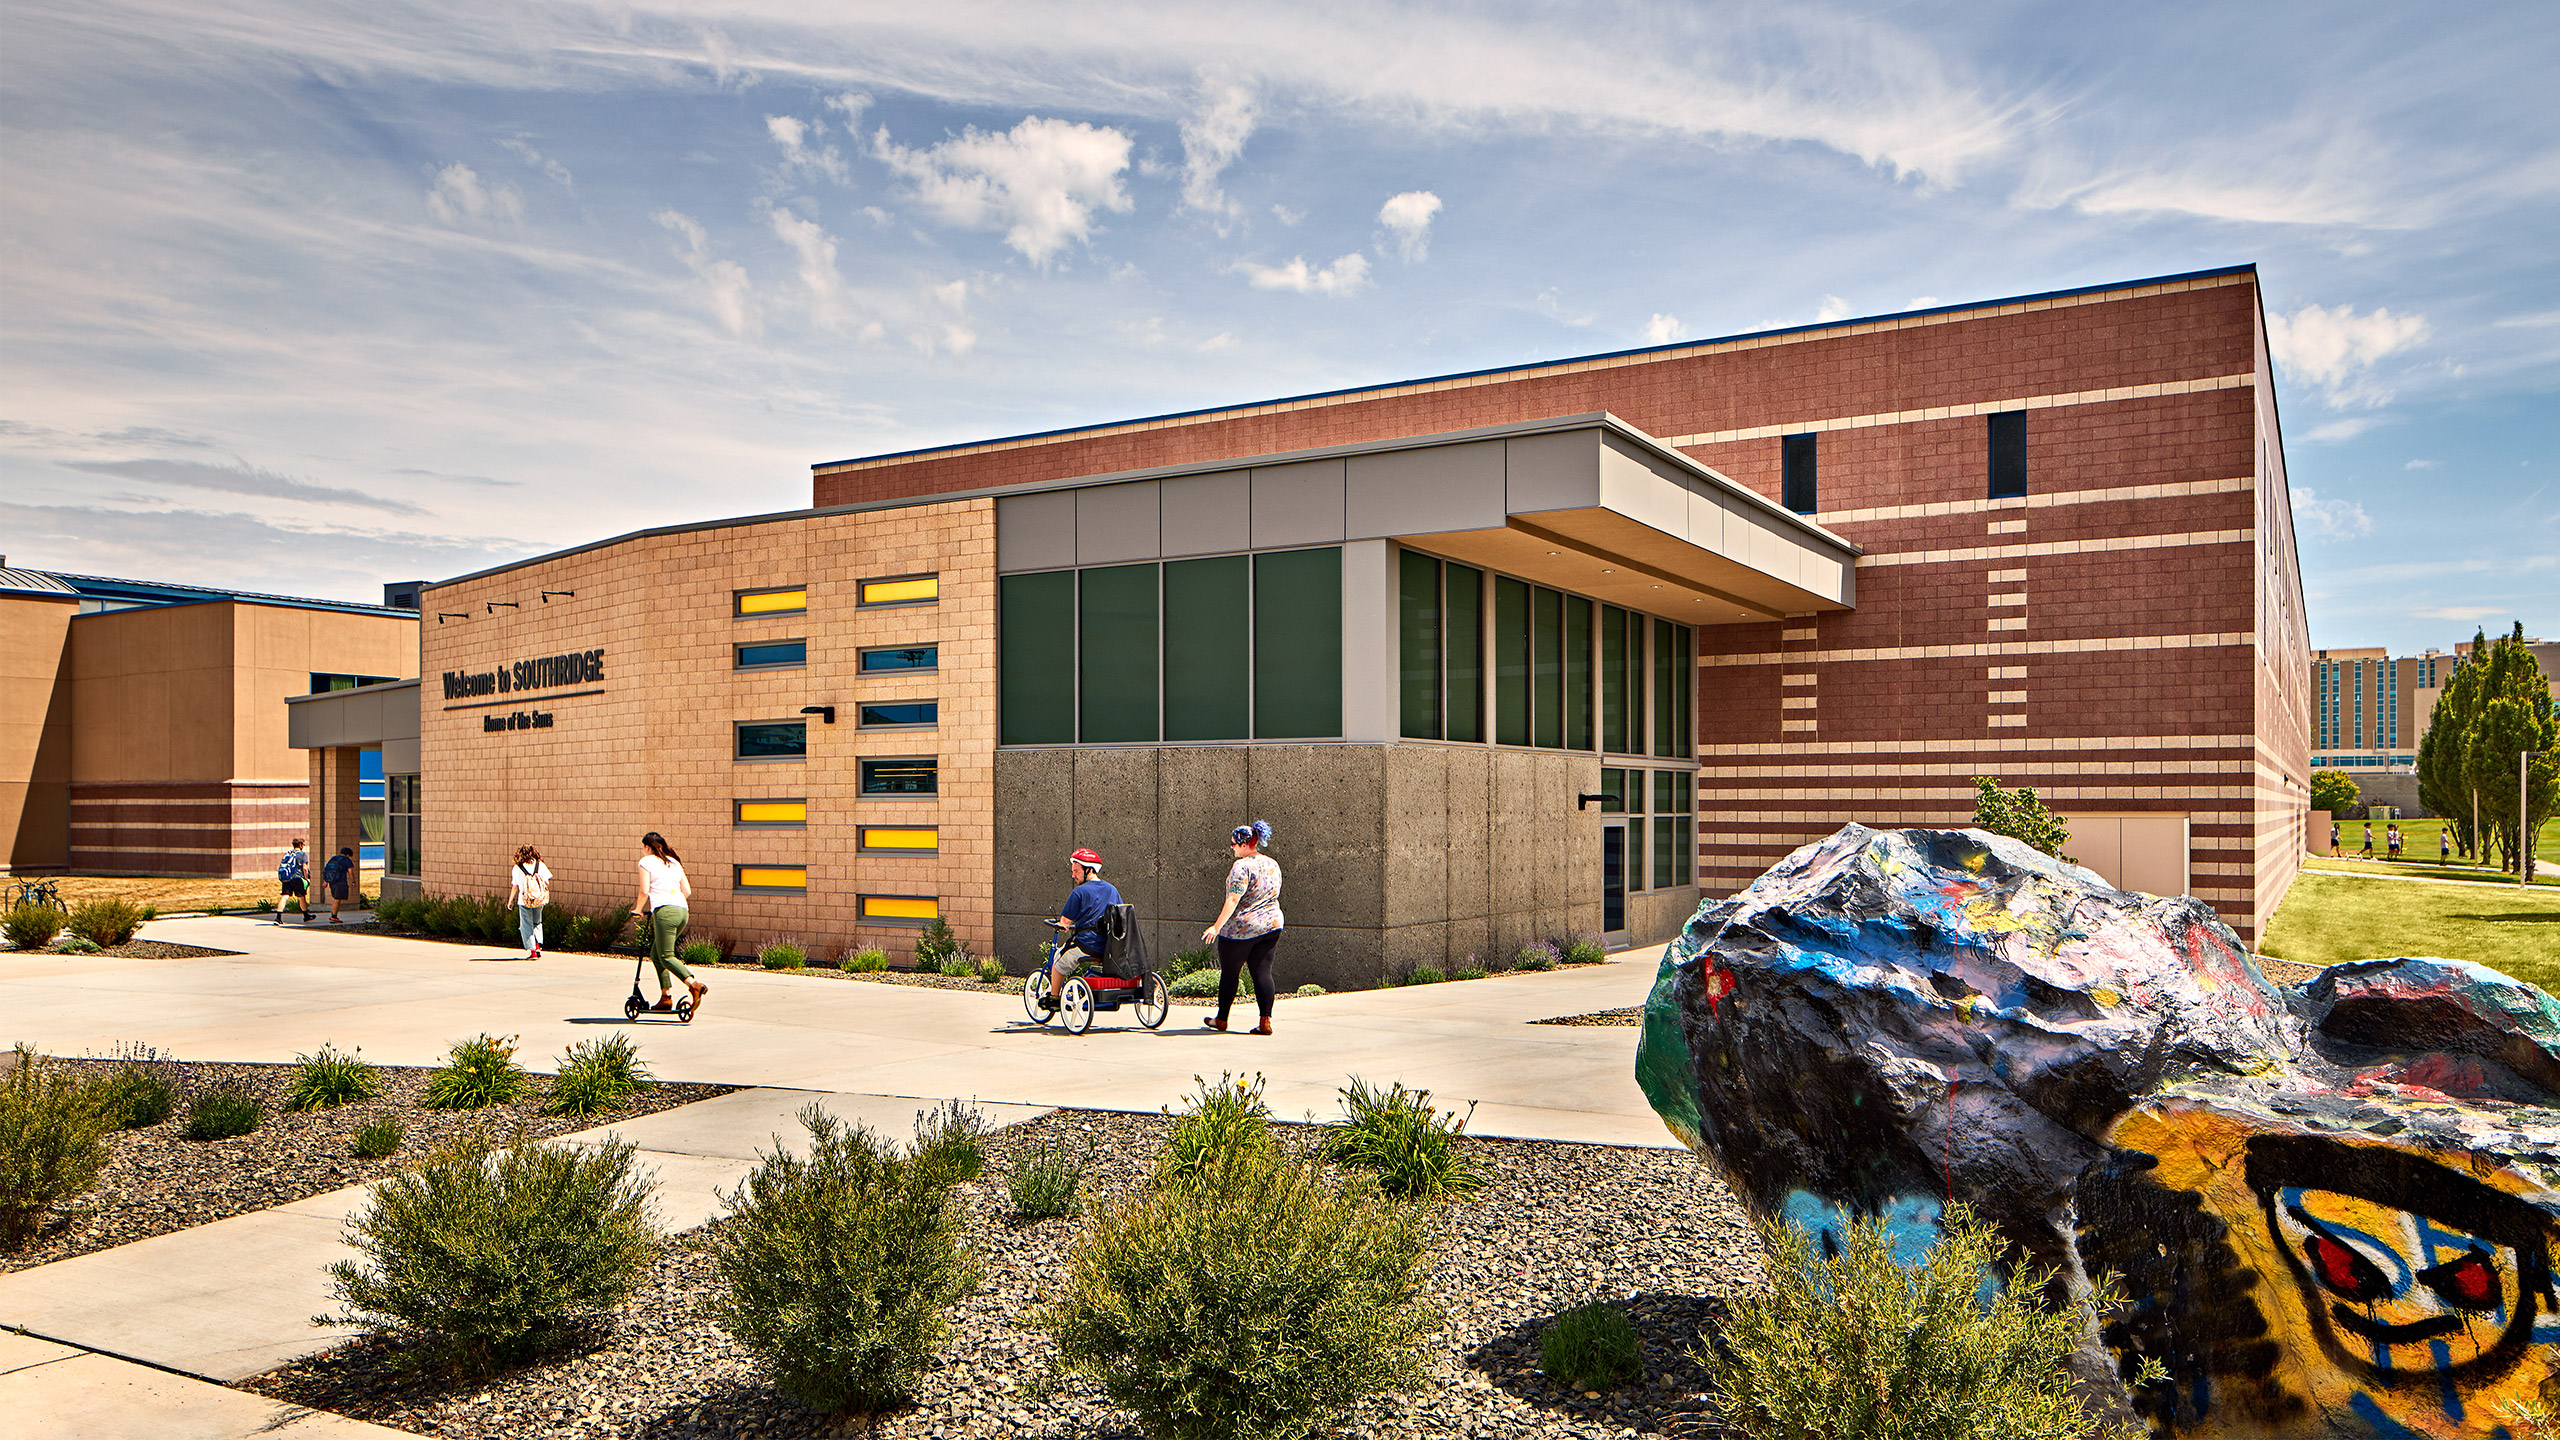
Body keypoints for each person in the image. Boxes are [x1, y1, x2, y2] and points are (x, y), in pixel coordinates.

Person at [1200, 820, 1283, 1035]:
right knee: (1263, 972)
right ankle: (1265, 1022)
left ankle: (1222, 1020)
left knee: (1230, 974)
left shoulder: (1242, 866)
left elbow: (1233, 899)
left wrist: (1216, 927)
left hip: (1241, 929)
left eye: (1234, 844)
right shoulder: (1272, 864)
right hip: (1272, 925)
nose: (1232, 847)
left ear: (1245, 845)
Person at [632, 832, 706, 1015]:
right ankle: (666, 997)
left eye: (643, 847)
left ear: (647, 847)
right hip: (682, 911)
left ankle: (693, 985)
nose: (643, 851)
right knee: (656, 954)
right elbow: (687, 891)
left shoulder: (646, 862)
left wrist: (637, 910)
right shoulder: (674, 862)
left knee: (666, 955)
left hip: (665, 912)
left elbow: (644, 891)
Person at [1040, 848, 1122, 1011]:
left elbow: (1064, 921)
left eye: (1076, 871)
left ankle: (1054, 998)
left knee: (1058, 960)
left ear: (1089, 870)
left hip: (1087, 945)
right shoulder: (1112, 890)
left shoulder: (1079, 892)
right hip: (1108, 947)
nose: (1073, 875)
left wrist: (1063, 925)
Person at [508, 844, 552, 961]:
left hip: (524, 901)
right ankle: (538, 946)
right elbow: (546, 882)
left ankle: (532, 951)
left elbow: (515, 886)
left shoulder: (517, 868)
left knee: (526, 925)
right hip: (539, 899)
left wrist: (510, 901)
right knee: (537, 922)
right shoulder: (540, 865)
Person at [275, 838, 309, 924]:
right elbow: (304, 868)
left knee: (285, 896)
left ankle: (278, 917)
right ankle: (306, 915)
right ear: (301, 845)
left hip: (287, 878)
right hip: (297, 878)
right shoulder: (302, 854)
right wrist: (306, 878)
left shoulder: (288, 854)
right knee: (301, 897)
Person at [319, 846, 356, 923]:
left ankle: (334, 915)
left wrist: (326, 881)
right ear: (348, 854)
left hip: (332, 881)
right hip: (340, 881)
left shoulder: (334, 858)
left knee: (336, 898)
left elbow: (328, 870)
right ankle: (334, 916)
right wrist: (353, 881)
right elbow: (350, 871)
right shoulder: (347, 860)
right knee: (337, 899)